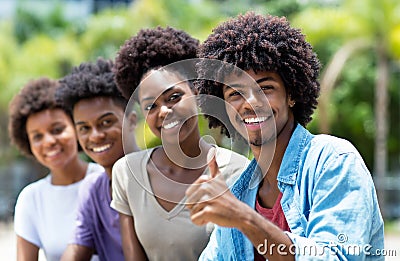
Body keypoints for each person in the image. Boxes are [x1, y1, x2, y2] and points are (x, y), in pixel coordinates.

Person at [185, 12, 384, 260]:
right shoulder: (238, 194)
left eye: (266, 88)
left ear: (291, 95)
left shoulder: (333, 161)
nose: (251, 103)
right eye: (235, 93)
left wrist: (245, 219)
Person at [111, 26, 249, 260]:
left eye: (173, 97)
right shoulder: (126, 173)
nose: (163, 111)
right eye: (150, 106)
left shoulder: (237, 170)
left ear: (197, 92)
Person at [8, 77, 103, 261]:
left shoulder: (107, 179)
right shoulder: (31, 199)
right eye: (37, 136)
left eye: (57, 129)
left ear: (77, 127)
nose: (49, 141)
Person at [55, 58, 139, 261]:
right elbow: (76, 250)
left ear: (132, 120)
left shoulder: (163, 175)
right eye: (84, 128)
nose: (95, 136)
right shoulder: (93, 189)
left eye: (106, 122)